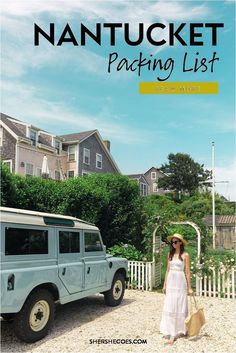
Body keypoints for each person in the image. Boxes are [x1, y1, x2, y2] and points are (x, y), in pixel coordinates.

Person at [159, 233, 193, 345]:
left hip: (180, 282)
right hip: (171, 283)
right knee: (170, 305)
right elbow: (168, 270)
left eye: (175, 242)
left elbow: (187, 272)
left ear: (180, 243)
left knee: (180, 304)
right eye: (172, 242)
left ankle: (178, 331)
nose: (173, 244)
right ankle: (171, 331)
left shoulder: (185, 255)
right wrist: (164, 285)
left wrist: (190, 288)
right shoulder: (169, 254)